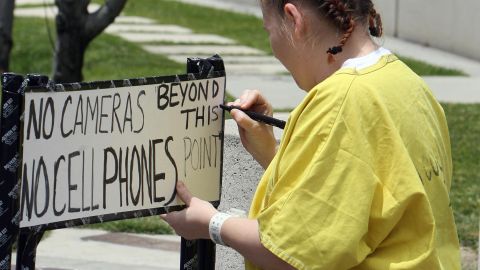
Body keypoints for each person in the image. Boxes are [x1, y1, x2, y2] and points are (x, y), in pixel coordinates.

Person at [161, 0, 462, 269]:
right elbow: (355, 196)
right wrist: (271, 154)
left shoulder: (341, 101)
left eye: (269, 29)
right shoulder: (408, 83)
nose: (273, 46)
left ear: (293, 18)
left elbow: (291, 254)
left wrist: (210, 223)